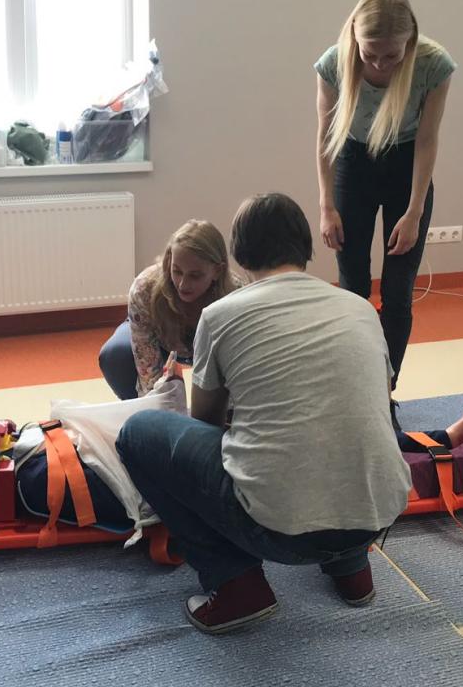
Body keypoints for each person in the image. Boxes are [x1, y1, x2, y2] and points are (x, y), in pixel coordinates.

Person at [116, 193, 412, 635]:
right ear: (306, 247)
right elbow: (375, 405)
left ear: (235, 255)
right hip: (378, 517)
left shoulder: (221, 315)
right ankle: (351, 569)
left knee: (138, 432)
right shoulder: (360, 308)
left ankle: (235, 583)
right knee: (335, 427)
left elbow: (206, 425)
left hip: (280, 532)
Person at [315, 0, 456, 389]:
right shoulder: (333, 63)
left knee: (397, 292)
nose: (380, 64)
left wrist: (414, 213)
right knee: (353, 288)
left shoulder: (433, 65)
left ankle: (383, 389)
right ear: (354, 39)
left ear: (409, 42)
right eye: (370, 54)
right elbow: (325, 138)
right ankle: (354, 385)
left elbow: (427, 140)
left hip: (407, 166)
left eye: (392, 55)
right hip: (353, 162)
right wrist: (327, 206)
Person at [98, 220, 239, 399]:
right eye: (177, 271)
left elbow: (237, 369)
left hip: (209, 351)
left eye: (195, 276)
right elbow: (148, 373)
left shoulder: (236, 296)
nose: (183, 284)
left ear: (217, 271)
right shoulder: (144, 288)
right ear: (169, 261)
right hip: (157, 338)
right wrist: (156, 408)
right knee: (116, 354)